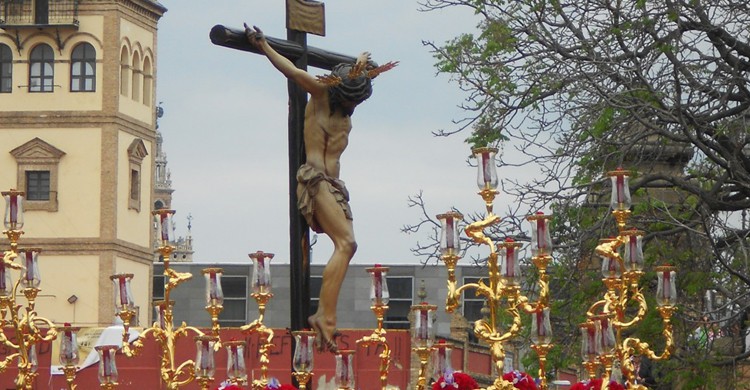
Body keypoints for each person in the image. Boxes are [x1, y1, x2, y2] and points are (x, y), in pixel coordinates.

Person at [244, 24, 396, 353]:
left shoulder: (345, 106)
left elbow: (357, 77)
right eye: (351, 100)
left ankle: (325, 314)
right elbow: (292, 68)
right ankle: (324, 316)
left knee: (348, 245)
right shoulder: (321, 93)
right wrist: (264, 46)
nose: (353, 107)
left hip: (334, 185)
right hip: (313, 180)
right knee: (347, 242)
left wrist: (360, 64)